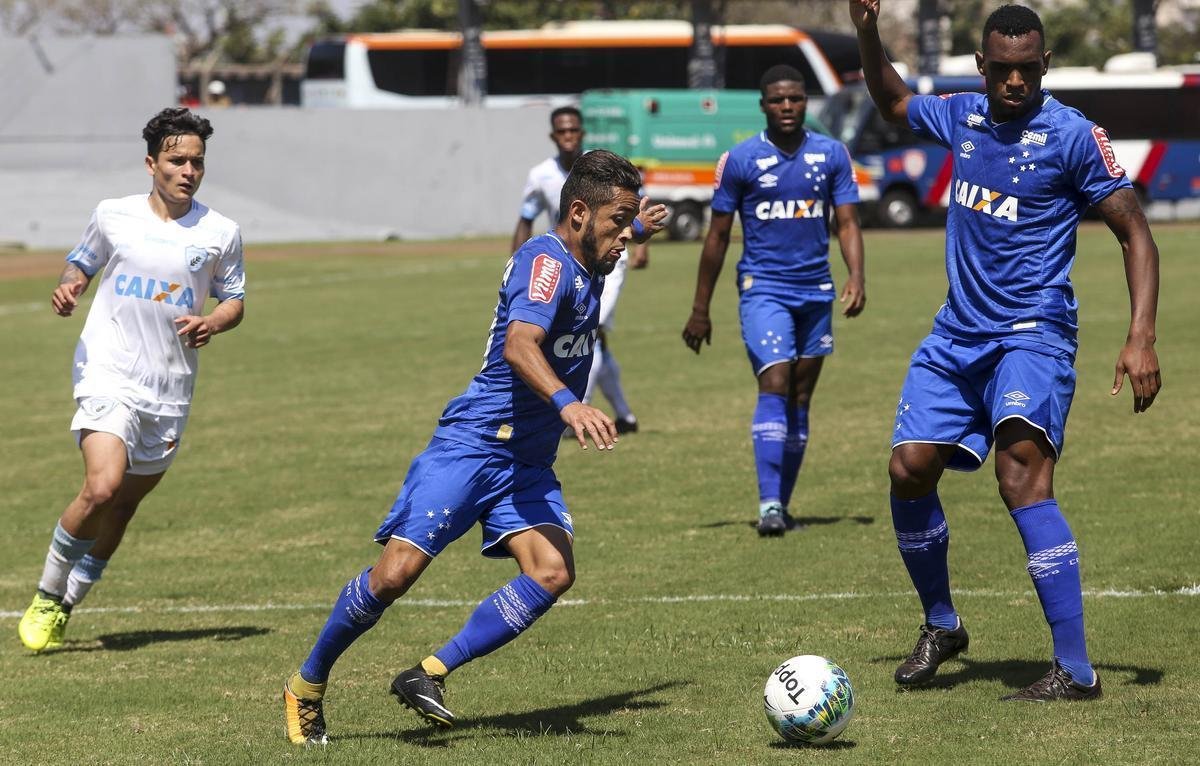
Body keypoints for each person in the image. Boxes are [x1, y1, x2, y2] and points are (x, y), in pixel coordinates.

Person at [284, 150, 664, 746]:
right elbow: (519, 344)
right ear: (581, 213)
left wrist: (641, 222)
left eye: (629, 223)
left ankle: (427, 674)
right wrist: (570, 404)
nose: (624, 238)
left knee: (552, 572)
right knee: (393, 577)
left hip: (526, 462)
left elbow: (609, 237)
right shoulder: (546, 263)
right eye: (618, 223)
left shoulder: (589, 251)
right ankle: (306, 684)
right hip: (475, 444)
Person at [848, 1, 1161, 700]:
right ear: (983, 66)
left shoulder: (1075, 136)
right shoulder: (961, 117)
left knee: (1021, 478)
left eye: (1028, 70)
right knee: (908, 469)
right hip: (957, 333)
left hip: (1033, 333)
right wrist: (868, 32)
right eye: (1003, 71)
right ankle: (942, 625)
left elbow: (1135, 233)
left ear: (1044, 66)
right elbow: (895, 99)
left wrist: (1140, 336)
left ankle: (1076, 671)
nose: (1015, 82)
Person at [17, 107, 246, 653]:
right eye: (176, 160)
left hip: (169, 388)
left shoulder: (221, 232)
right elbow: (82, 262)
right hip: (108, 370)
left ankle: (69, 601)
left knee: (123, 504)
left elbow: (234, 299)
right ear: (151, 163)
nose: (187, 170)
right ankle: (47, 595)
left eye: (196, 162)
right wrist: (68, 285)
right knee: (102, 485)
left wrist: (213, 320)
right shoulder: (112, 214)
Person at [681, 64, 866, 537]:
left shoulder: (832, 155)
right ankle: (768, 505)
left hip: (816, 290)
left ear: (807, 102)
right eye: (778, 100)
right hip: (763, 288)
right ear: (763, 106)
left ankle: (780, 508)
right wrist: (700, 309)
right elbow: (718, 236)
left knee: (801, 397)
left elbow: (846, 222)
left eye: (796, 99)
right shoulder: (740, 159)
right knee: (775, 382)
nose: (788, 107)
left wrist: (857, 276)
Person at [512, 106, 655, 434]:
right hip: (562, 265)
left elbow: (631, 208)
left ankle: (580, 408)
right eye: (562, 132)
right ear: (553, 136)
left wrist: (641, 240)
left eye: (574, 130)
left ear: (582, 133)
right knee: (586, 339)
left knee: (590, 337)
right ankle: (609, 412)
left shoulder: (603, 170)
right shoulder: (540, 176)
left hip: (604, 263)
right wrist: (517, 263)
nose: (569, 137)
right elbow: (526, 218)